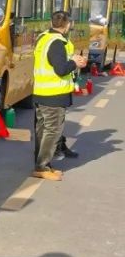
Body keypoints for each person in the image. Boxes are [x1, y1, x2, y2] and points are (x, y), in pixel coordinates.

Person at [32, 11, 86, 180]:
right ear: (68, 24)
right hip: (54, 95)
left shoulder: (44, 38)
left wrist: (71, 60)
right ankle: (42, 167)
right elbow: (60, 69)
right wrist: (74, 63)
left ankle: (42, 165)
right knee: (52, 131)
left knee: (42, 130)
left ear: (52, 22)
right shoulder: (56, 43)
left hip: (41, 92)